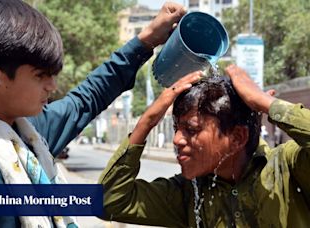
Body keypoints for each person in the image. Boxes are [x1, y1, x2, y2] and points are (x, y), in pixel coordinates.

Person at [0, 0, 187, 227]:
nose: (52, 86)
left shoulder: (29, 135)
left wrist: (145, 41)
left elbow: (86, 98)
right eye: (41, 76)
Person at [98, 65, 310, 227]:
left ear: (237, 137)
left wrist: (265, 103)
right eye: (176, 128)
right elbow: (103, 201)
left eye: (191, 130)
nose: (177, 140)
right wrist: (147, 122)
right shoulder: (190, 192)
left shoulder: (289, 169)